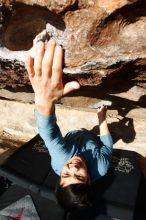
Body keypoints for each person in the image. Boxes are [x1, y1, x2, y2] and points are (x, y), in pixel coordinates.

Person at [25, 39, 113, 211]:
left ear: (59, 175)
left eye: (66, 174)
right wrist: (102, 117)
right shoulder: (101, 168)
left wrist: (44, 102)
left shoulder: (59, 160)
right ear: (89, 179)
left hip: (73, 135)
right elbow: (107, 145)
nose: (73, 167)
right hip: (90, 138)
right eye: (79, 176)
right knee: (92, 137)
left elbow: (48, 134)